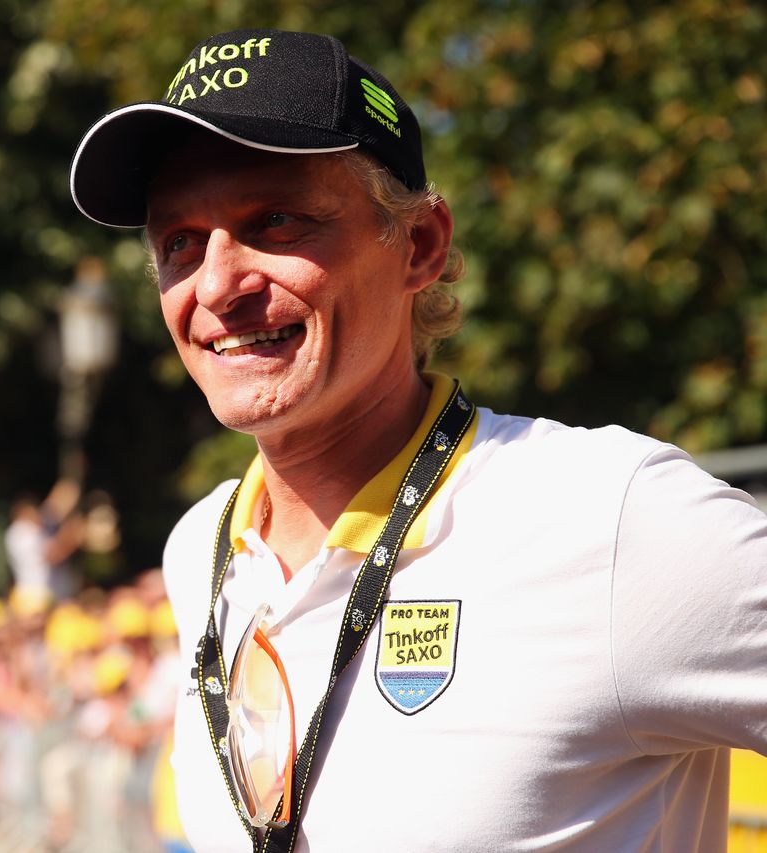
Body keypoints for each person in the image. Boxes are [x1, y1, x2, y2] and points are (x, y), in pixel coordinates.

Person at [68, 27, 767, 852]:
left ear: (421, 244)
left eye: (277, 219)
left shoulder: (614, 517)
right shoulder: (203, 548)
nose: (217, 284)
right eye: (179, 242)